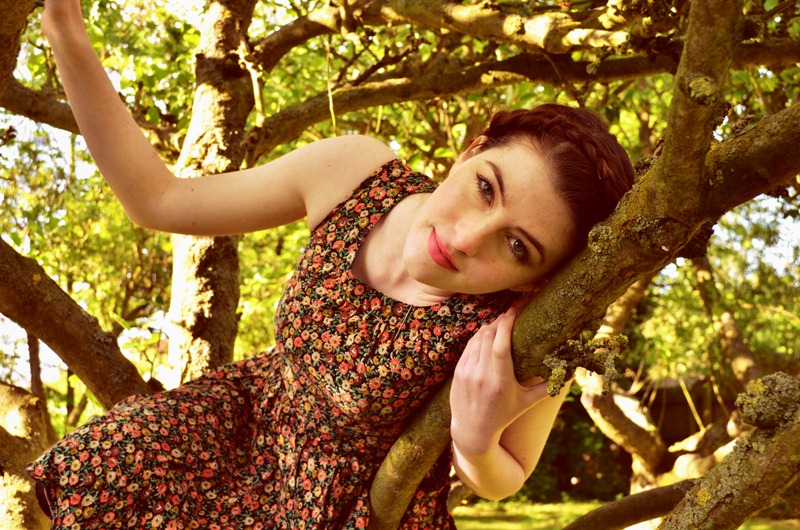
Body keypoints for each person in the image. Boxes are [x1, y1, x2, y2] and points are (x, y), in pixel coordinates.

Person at [29, 0, 636, 528]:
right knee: (94, 467)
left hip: (341, 507)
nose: (470, 238)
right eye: (485, 187)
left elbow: (509, 474)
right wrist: (65, 29)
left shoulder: (530, 322)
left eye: (518, 246)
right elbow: (157, 200)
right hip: (238, 428)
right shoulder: (355, 175)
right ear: (471, 150)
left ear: (536, 277)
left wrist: (476, 443)